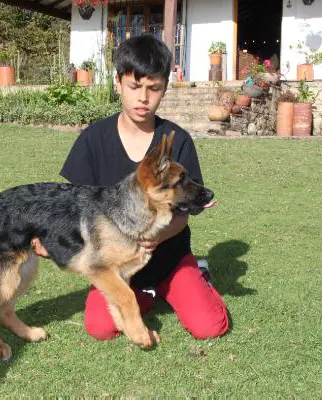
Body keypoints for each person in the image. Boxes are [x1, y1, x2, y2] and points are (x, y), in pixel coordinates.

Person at [32, 34, 229, 341]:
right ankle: (145, 296)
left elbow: (183, 214)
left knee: (209, 327)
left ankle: (195, 277)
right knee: (101, 327)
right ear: (118, 84)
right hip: (116, 264)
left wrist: (156, 236)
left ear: (164, 88)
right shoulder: (93, 139)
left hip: (169, 260)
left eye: (153, 88)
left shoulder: (177, 140)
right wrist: (50, 242)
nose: (143, 98)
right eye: (135, 87)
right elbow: (73, 208)